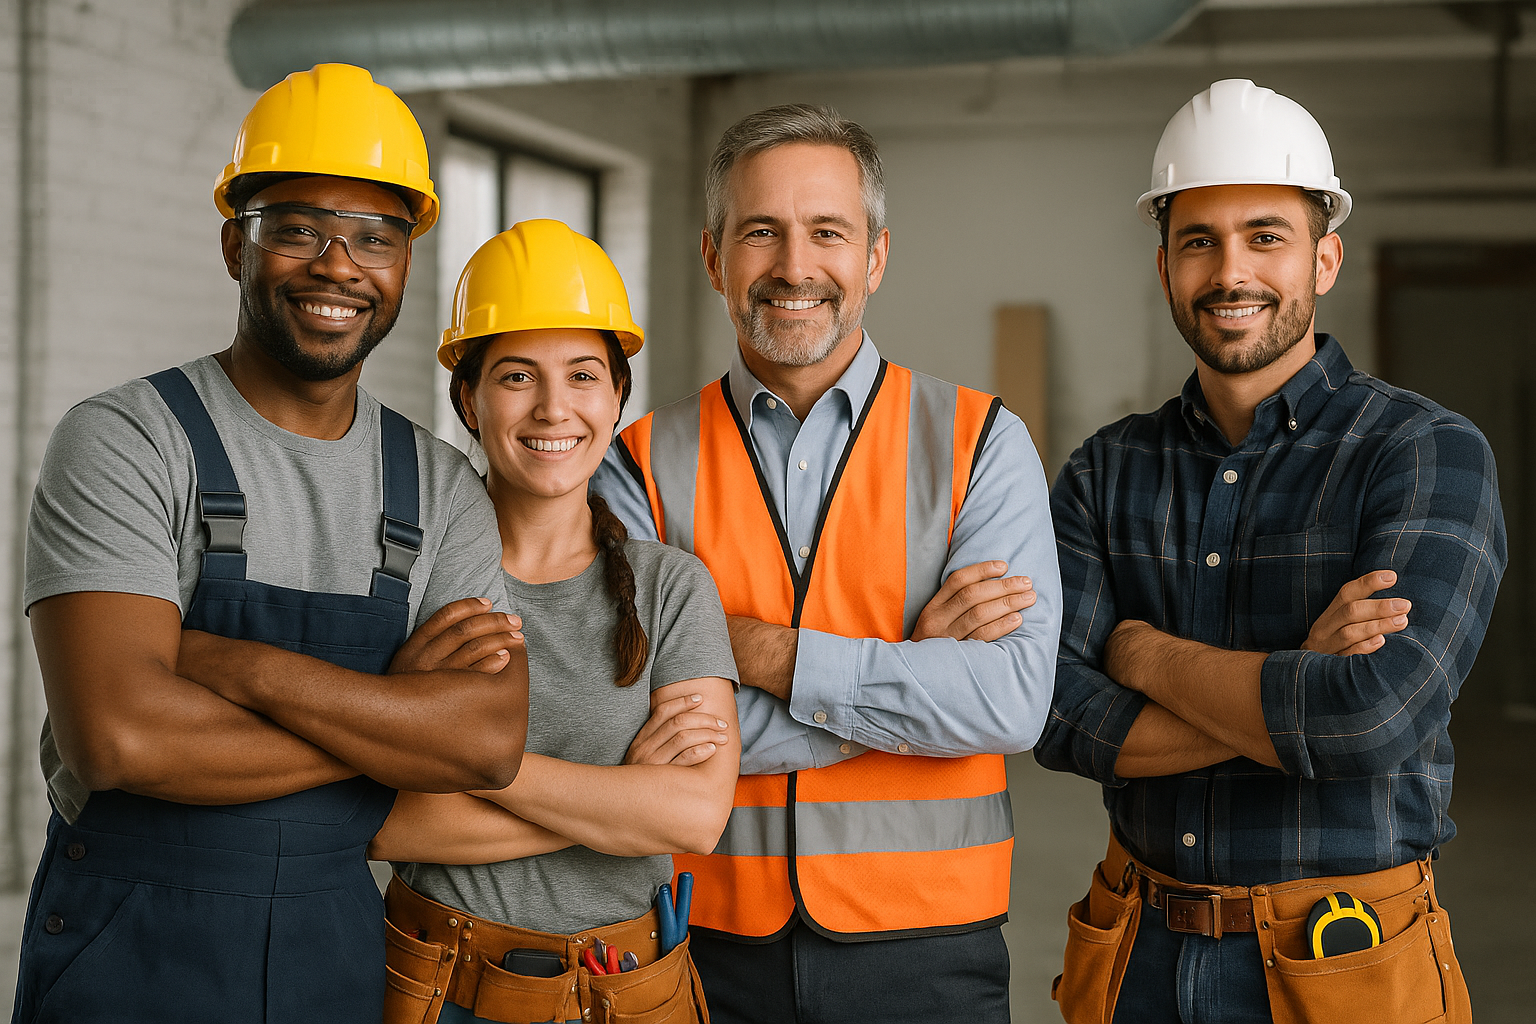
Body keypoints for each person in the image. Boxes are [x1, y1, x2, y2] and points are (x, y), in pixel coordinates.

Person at [12, 64, 529, 1024]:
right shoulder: (128, 438)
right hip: (128, 950)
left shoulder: (442, 484)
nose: (340, 266)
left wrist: (230, 667)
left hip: (333, 951)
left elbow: (486, 742)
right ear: (232, 245)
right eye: (298, 229)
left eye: (377, 237)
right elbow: (121, 738)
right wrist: (399, 722)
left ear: (406, 263)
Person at [1036, 79, 1504, 1024]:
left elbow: (1367, 723)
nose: (1230, 272)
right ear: (1164, 266)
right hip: (1139, 955)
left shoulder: (1423, 452)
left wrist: (1139, 654)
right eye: (1198, 240)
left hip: (1346, 956)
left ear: (1324, 259)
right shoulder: (1107, 468)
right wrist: (1297, 684)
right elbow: (1053, 715)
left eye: (1266, 236)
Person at [591, 104, 1062, 1024]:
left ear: (875, 257)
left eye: (827, 233)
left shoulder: (981, 445)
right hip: (701, 941)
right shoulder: (635, 464)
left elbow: (1009, 701)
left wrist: (751, 655)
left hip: (933, 947)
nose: (794, 267)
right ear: (713, 257)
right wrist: (907, 681)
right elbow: (616, 721)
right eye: (760, 231)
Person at [366, 219, 740, 1024]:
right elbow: (380, 823)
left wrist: (470, 764)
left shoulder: (671, 586)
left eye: (581, 374)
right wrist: (619, 804)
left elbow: (694, 816)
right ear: (467, 397)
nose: (553, 408)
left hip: (630, 991)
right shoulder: (408, 578)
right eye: (515, 376)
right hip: (436, 987)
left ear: (615, 397)